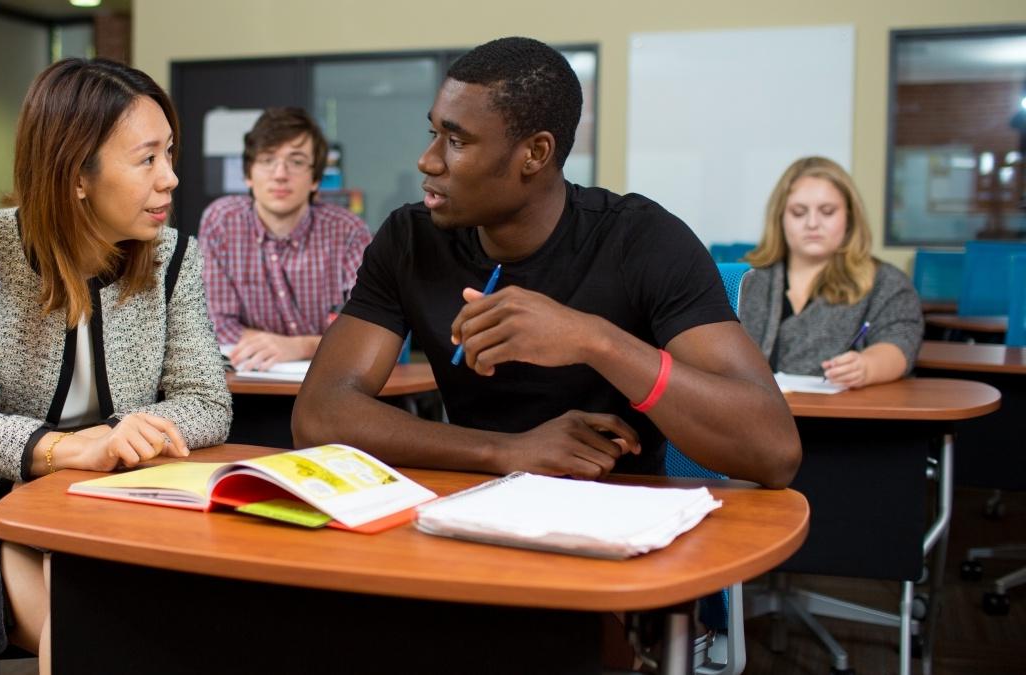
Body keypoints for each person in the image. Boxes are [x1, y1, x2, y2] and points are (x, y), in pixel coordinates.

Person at [293, 37, 800, 489]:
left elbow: (773, 452)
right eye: (433, 133)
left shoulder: (641, 239)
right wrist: (504, 451)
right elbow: (319, 415)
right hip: (467, 510)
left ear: (534, 153)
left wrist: (595, 341)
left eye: (457, 140)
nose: (428, 160)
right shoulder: (409, 238)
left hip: (616, 531)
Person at [0, 58, 232, 675]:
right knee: (82, 633)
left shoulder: (174, 256)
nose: (172, 179)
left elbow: (206, 401)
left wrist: (130, 436)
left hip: (105, 499)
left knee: (182, 620)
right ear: (77, 171)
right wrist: (73, 449)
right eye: (148, 159)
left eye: (170, 154)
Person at [199, 107, 373, 371]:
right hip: (251, 385)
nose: (280, 173)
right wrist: (271, 347)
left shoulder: (348, 231)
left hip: (331, 385)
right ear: (248, 174)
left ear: (315, 179)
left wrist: (300, 346)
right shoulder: (221, 222)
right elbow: (216, 324)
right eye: (267, 160)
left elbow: (368, 329)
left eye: (297, 161)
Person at [739, 156, 924, 389]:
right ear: (780, 218)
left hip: (839, 418)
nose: (812, 223)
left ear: (849, 217)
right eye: (798, 212)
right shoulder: (746, 278)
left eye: (827, 211)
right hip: (749, 414)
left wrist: (866, 366)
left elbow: (900, 342)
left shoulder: (887, 283)